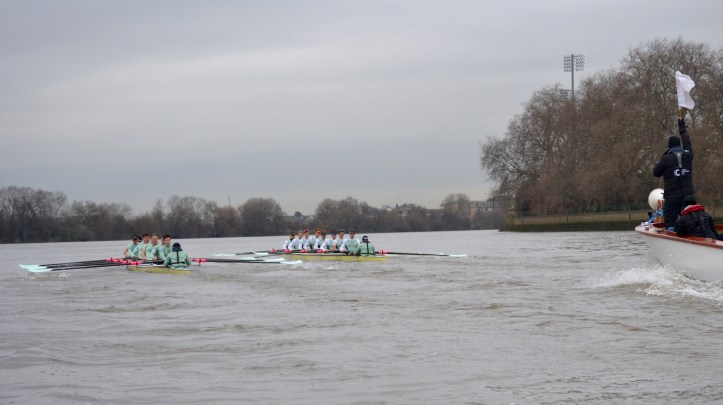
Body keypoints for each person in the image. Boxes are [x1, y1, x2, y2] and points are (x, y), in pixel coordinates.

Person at [654, 117, 694, 229]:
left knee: (670, 222)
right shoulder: (688, 155)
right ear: (679, 146)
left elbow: (656, 172)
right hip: (688, 196)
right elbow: (687, 142)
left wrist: (664, 155)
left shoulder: (666, 158)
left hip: (672, 197)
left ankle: (672, 234)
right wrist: (682, 128)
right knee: (691, 221)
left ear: (669, 147)